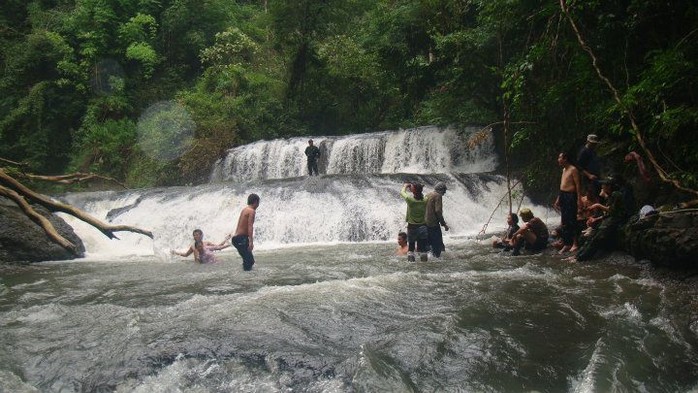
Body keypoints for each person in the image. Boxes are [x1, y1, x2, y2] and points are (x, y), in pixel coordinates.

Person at [575, 178, 628, 261]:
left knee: (596, 238)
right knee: (592, 236)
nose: (602, 187)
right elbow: (609, 213)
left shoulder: (616, 194)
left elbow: (612, 211)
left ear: (609, 186)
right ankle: (576, 256)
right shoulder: (611, 196)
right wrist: (597, 218)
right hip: (610, 218)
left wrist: (597, 205)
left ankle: (580, 258)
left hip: (616, 220)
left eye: (604, 185)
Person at [553, 152, 582, 254]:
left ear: (565, 159)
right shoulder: (564, 169)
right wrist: (558, 198)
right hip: (563, 195)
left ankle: (575, 243)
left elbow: (578, 186)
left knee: (571, 220)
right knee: (564, 221)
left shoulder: (573, 169)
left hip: (571, 196)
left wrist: (579, 200)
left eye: (559, 158)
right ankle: (566, 243)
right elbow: (562, 185)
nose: (558, 159)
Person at [400, 183, 430, 262]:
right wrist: (415, 189)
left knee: (411, 249)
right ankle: (424, 266)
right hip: (423, 227)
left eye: (412, 188)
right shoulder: (425, 200)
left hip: (412, 227)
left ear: (413, 191)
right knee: (423, 249)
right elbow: (422, 195)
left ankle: (411, 264)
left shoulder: (410, 200)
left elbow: (402, 192)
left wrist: (405, 186)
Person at [231, 193, 260, 271]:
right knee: (250, 261)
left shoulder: (245, 209)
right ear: (256, 202)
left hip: (236, 238)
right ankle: (247, 280)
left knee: (247, 260)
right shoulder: (252, 211)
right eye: (258, 203)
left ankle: (245, 276)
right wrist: (251, 242)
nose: (258, 205)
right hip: (241, 239)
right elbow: (250, 227)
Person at [425, 182, 449, 258]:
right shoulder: (438, 196)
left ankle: (429, 259)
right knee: (438, 246)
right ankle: (438, 260)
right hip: (433, 224)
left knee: (429, 245)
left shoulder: (428, 194)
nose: (445, 193)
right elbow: (438, 211)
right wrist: (443, 224)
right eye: (444, 190)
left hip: (425, 223)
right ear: (440, 189)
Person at [577, 134, 602, 198]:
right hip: (587, 179)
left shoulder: (593, 151)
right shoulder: (584, 152)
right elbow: (579, 166)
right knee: (589, 196)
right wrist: (589, 175)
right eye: (592, 143)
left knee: (596, 195)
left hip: (596, 178)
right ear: (587, 142)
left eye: (595, 144)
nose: (594, 145)